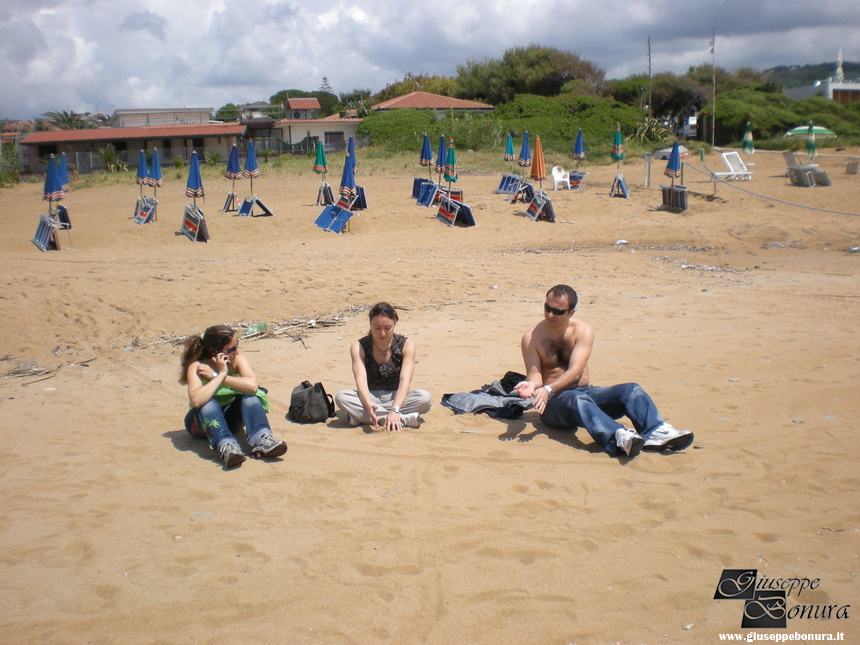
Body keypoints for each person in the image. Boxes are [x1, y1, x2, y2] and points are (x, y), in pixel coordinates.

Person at [513, 285, 694, 458]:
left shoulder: (582, 331)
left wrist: (547, 388)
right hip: (553, 406)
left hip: (583, 393)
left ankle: (655, 432)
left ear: (571, 312)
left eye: (558, 311)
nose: (550, 314)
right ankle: (617, 437)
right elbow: (535, 375)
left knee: (631, 390)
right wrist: (532, 385)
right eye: (547, 308)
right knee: (576, 399)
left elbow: (576, 371)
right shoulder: (532, 337)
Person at [180, 324, 287, 468]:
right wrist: (222, 374)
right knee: (207, 403)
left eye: (237, 345)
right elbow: (196, 400)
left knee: (250, 397)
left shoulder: (237, 359)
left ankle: (261, 439)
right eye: (231, 349)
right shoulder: (198, 366)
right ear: (214, 351)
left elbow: (252, 386)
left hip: (230, 419)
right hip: (201, 424)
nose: (236, 352)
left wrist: (217, 376)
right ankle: (226, 446)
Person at [335, 302, 432, 432]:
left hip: (396, 396)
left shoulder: (407, 345)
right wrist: (369, 406)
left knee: (424, 398)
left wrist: (395, 409)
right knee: (342, 397)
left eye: (387, 328)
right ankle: (402, 420)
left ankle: (362, 417)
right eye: (377, 328)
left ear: (395, 325)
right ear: (370, 325)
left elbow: (405, 381)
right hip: (370, 397)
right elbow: (361, 381)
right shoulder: (359, 347)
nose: (382, 333)